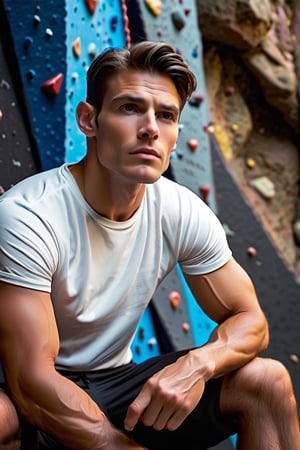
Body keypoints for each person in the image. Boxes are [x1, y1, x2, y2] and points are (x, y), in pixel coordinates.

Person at [0, 41, 299, 450]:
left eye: (166, 115)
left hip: (117, 385)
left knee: (265, 380)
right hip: (26, 392)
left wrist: (198, 365)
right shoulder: (27, 215)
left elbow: (251, 321)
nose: (150, 129)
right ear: (89, 119)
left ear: (176, 136)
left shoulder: (179, 210)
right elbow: (31, 379)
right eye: (129, 108)